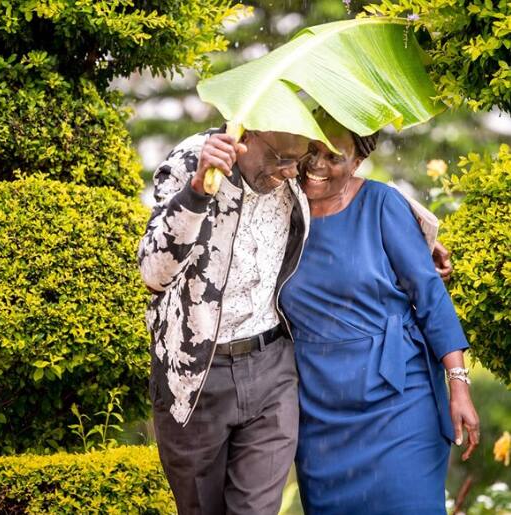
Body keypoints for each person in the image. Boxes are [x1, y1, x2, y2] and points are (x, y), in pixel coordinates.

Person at [138, 125, 453, 515]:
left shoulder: (304, 182)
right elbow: (154, 272)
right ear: (250, 135)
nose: (294, 171)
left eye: (298, 160)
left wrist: (420, 237)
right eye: (286, 157)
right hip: (203, 376)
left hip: (279, 371)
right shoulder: (195, 159)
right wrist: (199, 190)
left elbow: (356, 196)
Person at [279, 111, 480, 515]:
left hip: (398, 400)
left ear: (356, 163)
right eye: (312, 149)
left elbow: (429, 294)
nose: (317, 164)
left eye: (334, 156)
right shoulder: (281, 214)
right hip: (320, 413)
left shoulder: (382, 203)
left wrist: (458, 384)